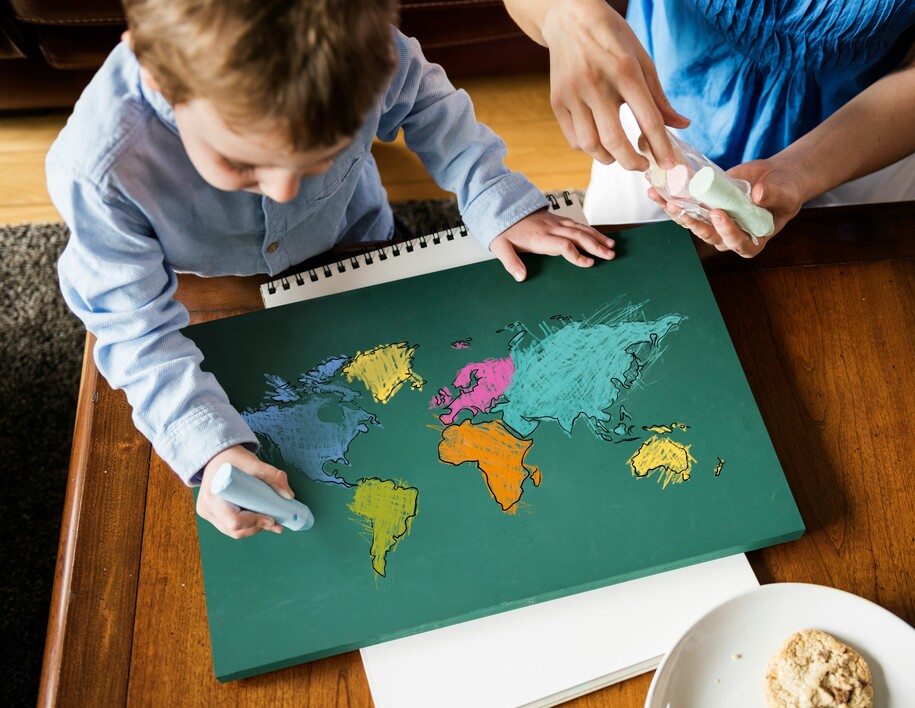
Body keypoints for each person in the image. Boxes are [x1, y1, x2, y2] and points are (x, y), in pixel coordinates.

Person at [48, 0, 616, 539]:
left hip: (356, 236)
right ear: (158, 76)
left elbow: (427, 102)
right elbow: (133, 330)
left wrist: (491, 190)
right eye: (244, 164)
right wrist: (210, 449)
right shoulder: (98, 172)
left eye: (315, 157)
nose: (284, 190)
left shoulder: (369, 54)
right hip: (219, 283)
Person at [504, 0, 915, 256]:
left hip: (865, 137)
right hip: (660, 119)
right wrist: (560, 13)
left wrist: (798, 171)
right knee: (623, 267)